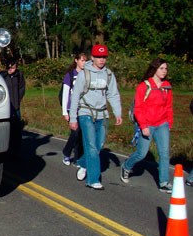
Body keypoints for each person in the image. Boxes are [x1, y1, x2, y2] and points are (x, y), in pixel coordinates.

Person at [69, 44, 122, 190]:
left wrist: (117, 112)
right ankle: (93, 180)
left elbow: (113, 94)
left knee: (99, 145)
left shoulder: (109, 74)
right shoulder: (84, 73)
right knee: (91, 146)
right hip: (86, 113)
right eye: (98, 57)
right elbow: (75, 96)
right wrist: (73, 118)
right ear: (92, 57)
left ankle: (83, 163)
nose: (101, 60)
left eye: (104, 57)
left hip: (102, 114)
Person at [120, 58, 174, 192]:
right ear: (154, 69)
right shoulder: (144, 86)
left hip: (162, 124)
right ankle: (126, 166)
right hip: (146, 124)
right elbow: (138, 108)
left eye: (166, 69)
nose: (164, 71)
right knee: (141, 154)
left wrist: (169, 123)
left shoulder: (167, 86)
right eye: (161, 68)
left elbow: (169, 107)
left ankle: (164, 182)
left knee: (164, 153)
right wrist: (143, 126)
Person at [61, 52, 87, 166]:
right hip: (72, 109)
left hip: (84, 109)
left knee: (81, 135)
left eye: (85, 60)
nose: (84, 63)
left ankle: (77, 158)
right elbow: (65, 94)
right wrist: (64, 112)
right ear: (76, 60)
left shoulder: (87, 75)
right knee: (75, 133)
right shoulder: (70, 75)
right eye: (82, 60)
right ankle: (67, 153)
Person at [1, 58, 26, 157]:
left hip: (16, 106)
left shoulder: (19, 75)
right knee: (7, 128)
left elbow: (22, 88)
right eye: (11, 67)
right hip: (5, 107)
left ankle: (16, 149)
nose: (13, 69)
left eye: (14, 67)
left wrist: (18, 99)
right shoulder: (2, 76)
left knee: (16, 128)